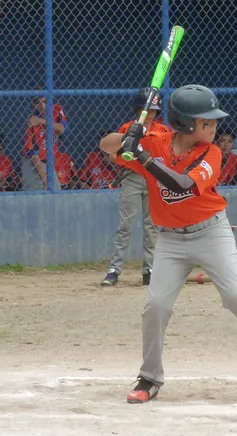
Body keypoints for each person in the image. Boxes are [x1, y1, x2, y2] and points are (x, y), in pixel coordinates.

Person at [99, 84, 237, 404]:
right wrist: (130, 136)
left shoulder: (212, 152)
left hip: (211, 233)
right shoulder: (155, 142)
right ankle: (149, 377)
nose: (214, 125)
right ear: (186, 124)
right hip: (170, 241)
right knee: (156, 308)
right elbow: (106, 145)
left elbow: (183, 185)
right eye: (207, 121)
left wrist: (143, 156)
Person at [101, 88, 169, 287]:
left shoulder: (163, 130)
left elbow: (168, 155)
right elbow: (111, 153)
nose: (149, 114)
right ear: (138, 109)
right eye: (145, 110)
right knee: (125, 226)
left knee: (152, 226)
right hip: (132, 178)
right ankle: (114, 270)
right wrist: (125, 156)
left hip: (155, 180)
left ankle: (150, 270)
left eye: (153, 111)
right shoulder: (127, 128)